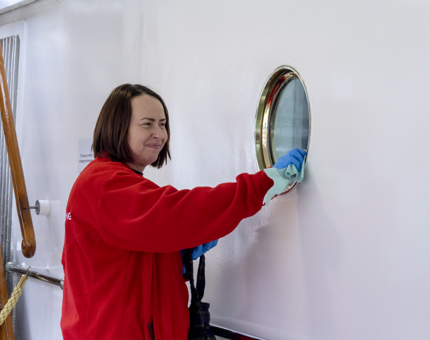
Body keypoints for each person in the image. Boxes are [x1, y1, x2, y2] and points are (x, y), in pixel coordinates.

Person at [60, 84, 306, 340]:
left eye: (163, 124)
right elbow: (180, 213)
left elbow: (122, 259)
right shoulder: (106, 185)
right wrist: (263, 183)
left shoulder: (112, 181)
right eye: (147, 124)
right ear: (118, 127)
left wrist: (177, 256)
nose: (159, 133)